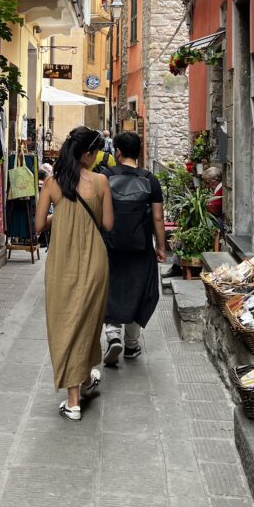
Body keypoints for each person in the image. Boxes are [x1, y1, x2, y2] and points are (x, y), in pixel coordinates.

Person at [35, 127, 114, 421]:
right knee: (87, 322)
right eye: (96, 153)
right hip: (95, 262)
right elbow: (107, 224)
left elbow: (39, 225)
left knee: (64, 322)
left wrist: (63, 213)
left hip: (61, 264)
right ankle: (81, 384)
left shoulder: (53, 183)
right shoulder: (101, 181)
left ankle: (73, 399)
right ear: (87, 154)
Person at [101, 131, 167, 367]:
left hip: (110, 245)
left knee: (112, 287)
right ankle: (131, 343)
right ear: (138, 151)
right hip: (140, 246)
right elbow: (158, 218)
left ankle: (112, 334)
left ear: (117, 152)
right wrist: (161, 246)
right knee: (140, 289)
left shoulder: (104, 176)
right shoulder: (150, 179)